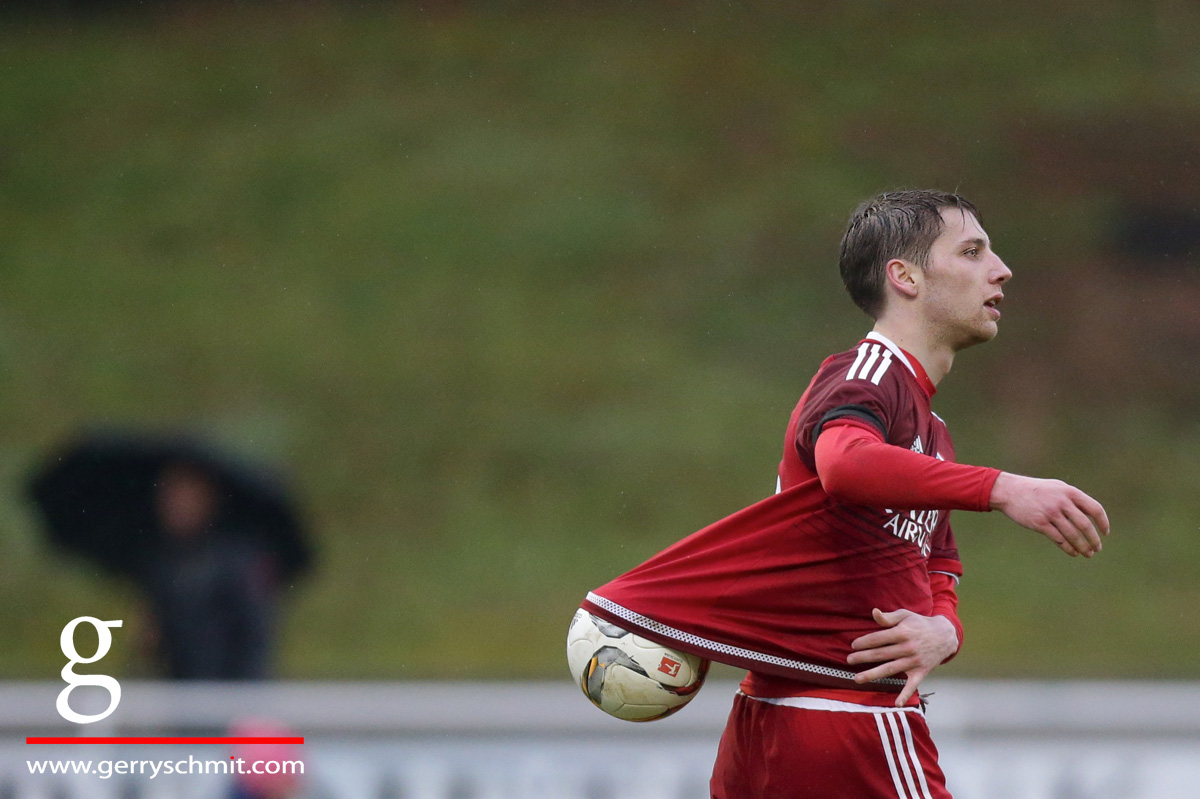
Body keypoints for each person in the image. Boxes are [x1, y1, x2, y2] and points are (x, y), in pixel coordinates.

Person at [578, 189, 1109, 798]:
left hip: (784, 721)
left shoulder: (929, 433)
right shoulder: (869, 375)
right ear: (904, 277)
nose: (1001, 269)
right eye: (971, 251)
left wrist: (945, 629)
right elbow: (845, 465)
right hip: (846, 718)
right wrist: (1003, 488)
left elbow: (936, 562)